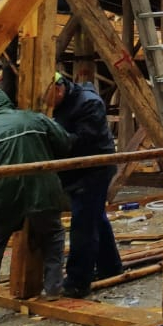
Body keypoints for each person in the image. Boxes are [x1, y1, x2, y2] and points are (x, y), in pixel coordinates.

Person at [0, 86, 70, 326]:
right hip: (43, 188)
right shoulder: (33, 117)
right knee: (52, 235)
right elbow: (64, 142)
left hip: (3, 195)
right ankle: (53, 289)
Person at [48, 73, 123, 298]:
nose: (47, 103)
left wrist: (48, 132)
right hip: (77, 170)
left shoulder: (88, 103)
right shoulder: (66, 103)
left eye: (49, 97)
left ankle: (78, 281)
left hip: (94, 169)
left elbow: (80, 141)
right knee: (94, 217)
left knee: (83, 223)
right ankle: (111, 267)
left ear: (59, 89)